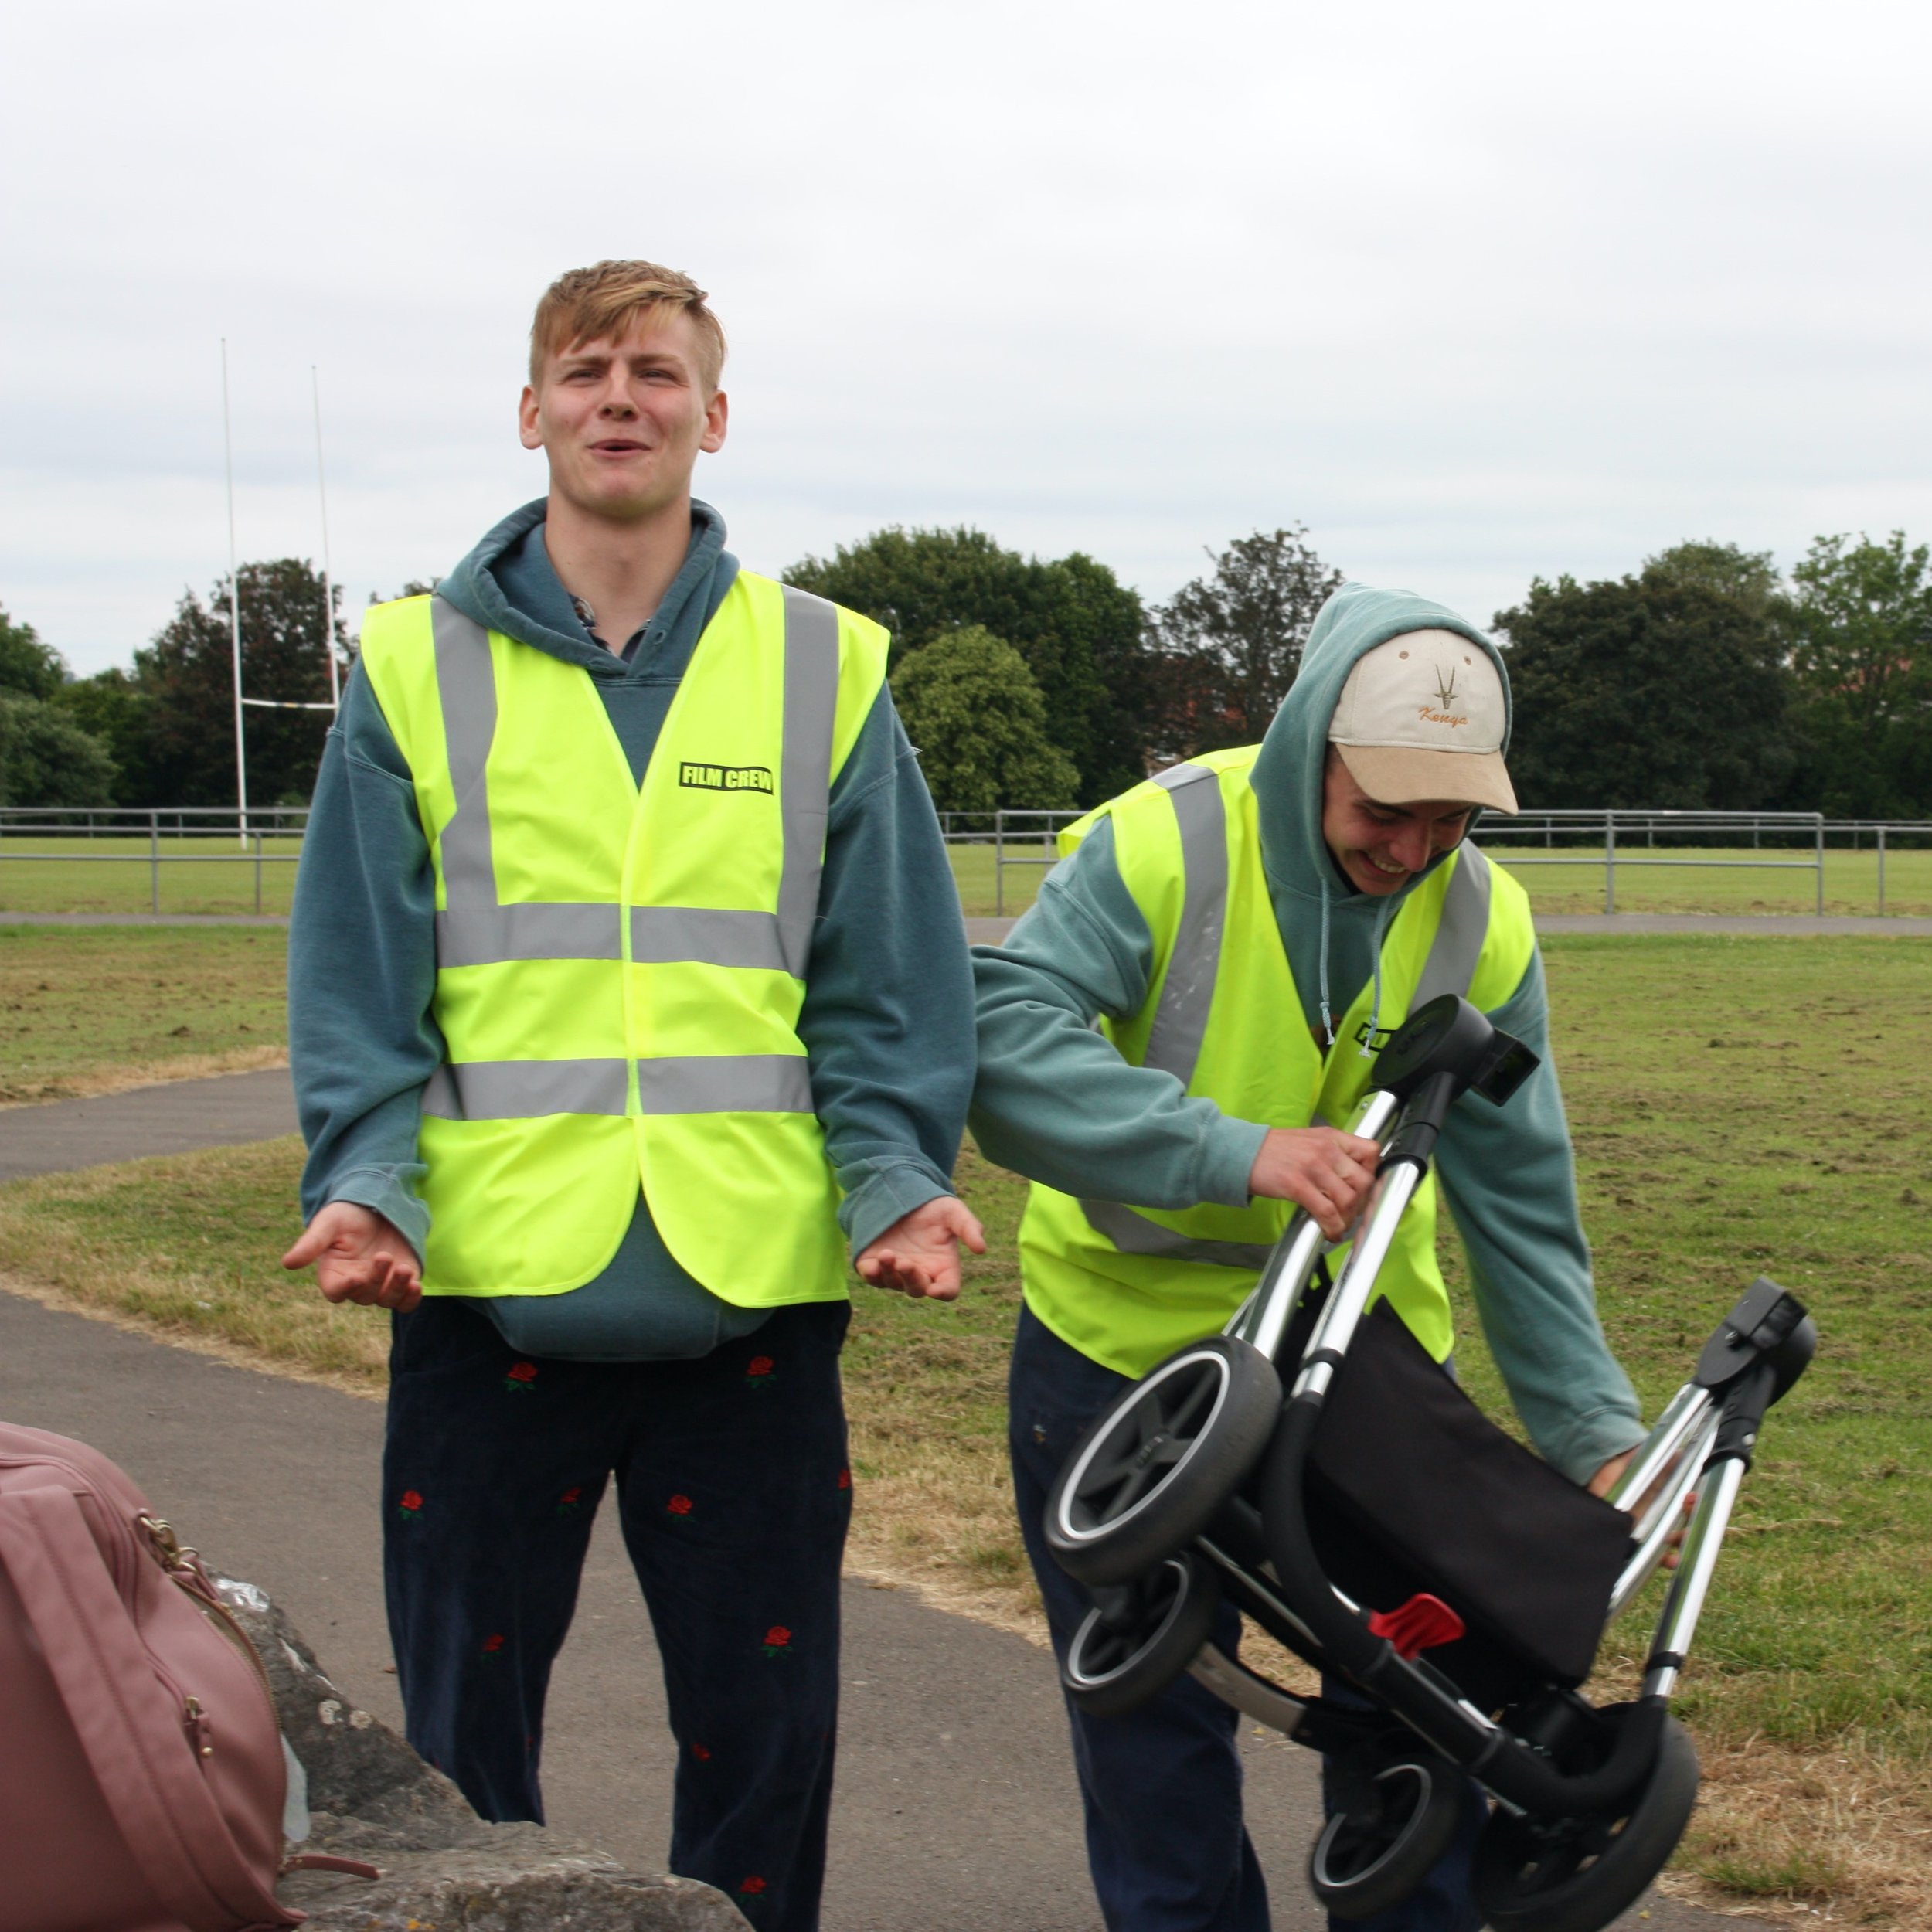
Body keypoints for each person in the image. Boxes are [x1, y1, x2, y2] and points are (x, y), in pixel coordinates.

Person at [282, 259, 981, 1932]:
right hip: (486, 1293)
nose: (621, 396)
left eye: (657, 373)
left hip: (746, 1297)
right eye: (586, 370)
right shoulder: (405, 665)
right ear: (530, 412)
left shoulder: (824, 666)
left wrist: (891, 1176)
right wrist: (369, 1174)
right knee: (459, 1757)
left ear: (711, 417)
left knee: (764, 1742)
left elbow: (885, 982)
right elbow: (357, 981)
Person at [969, 582, 1650, 1932]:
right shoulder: (1158, 845)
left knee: (1418, 1740)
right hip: (1127, 1370)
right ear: (1310, 752)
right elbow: (1001, 1044)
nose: (1410, 850)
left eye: (1448, 818)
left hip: (1368, 1390)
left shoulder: (1487, 920)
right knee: (1154, 1751)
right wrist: (1234, 1150)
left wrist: (1587, 1426)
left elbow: (1517, 1190)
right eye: (1379, 810)